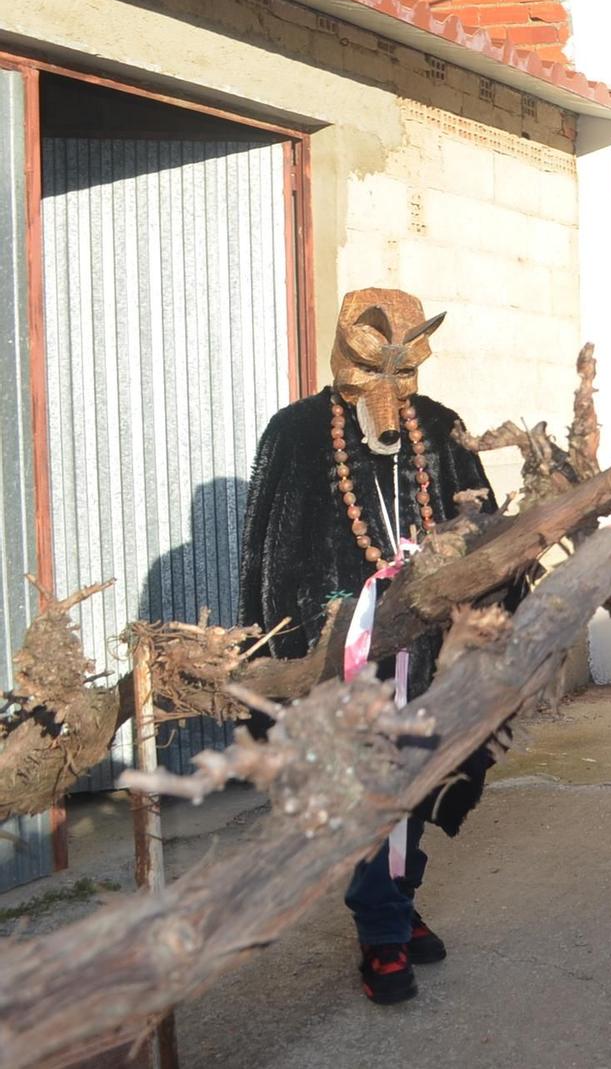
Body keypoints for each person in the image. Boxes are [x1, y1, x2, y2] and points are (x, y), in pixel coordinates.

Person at [238, 288, 500, 1005]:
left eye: (404, 369)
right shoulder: (296, 433)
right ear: (341, 355)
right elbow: (271, 552)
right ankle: (381, 932)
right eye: (369, 367)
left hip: (433, 646)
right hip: (344, 653)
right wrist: (283, 658)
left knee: (422, 778)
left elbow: (486, 526)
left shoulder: (441, 430)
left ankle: (398, 899)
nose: (388, 388)